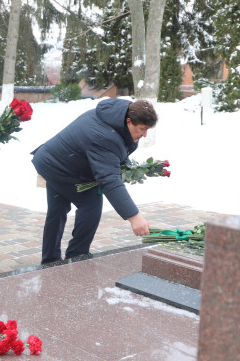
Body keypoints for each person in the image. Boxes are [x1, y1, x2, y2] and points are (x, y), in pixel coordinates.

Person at [31, 98, 157, 264]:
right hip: (60, 168)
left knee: (57, 209)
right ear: (128, 121)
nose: (145, 134)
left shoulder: (116, 114)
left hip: (51, 160)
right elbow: (109, 181)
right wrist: (134, 217)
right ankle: (77, 256)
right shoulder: (105, 137)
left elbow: (114, 152)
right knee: (91, 203)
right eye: (142, 129)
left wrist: (124, 163)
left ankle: (50, 260)